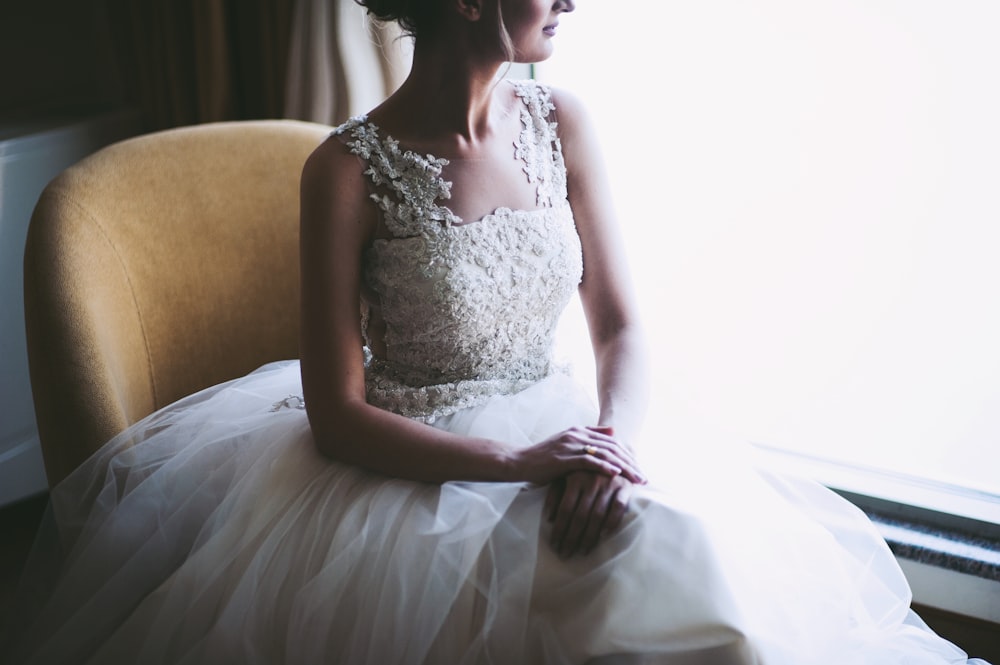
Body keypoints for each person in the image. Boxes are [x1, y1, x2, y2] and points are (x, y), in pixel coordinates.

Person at [2, 0, 992, 663]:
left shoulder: (562, 121)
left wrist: (610, 443)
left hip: (563, 429)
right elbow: (335, 414)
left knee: (685, 550)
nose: (573, 0)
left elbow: (620, 325)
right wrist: (520, 461)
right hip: (415, 464)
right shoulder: (347, 169)